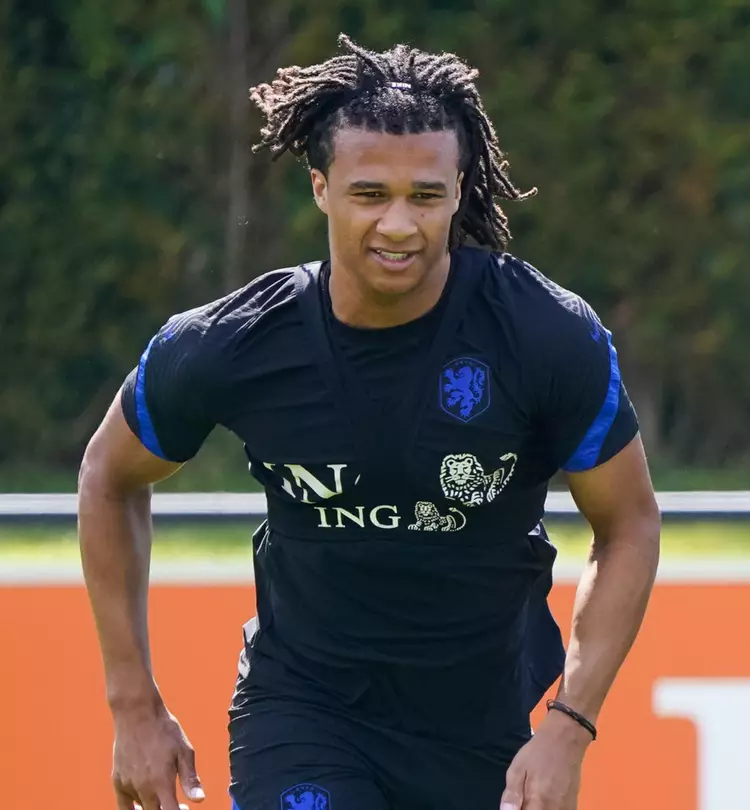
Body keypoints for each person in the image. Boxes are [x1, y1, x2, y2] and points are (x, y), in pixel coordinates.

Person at [77, 34, 661, 810]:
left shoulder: (545, 335)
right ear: (320, 187)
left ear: (459, 190)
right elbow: (107, 477)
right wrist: (134, 706)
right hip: (304, 710)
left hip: (483, 727)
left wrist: (568, 727)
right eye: (369, 194)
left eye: (425, 196)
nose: (398, 225)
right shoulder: (235, 342)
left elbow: (629, 525)